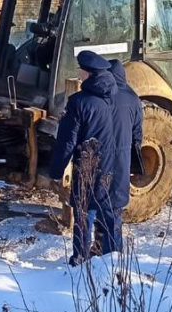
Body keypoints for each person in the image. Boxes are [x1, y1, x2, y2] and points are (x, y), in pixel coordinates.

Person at [49, 50, 130, 265]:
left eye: (80, 70)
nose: (78, 73)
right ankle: (113, 260)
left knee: (85, 211)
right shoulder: (120, 99)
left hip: (89, 167)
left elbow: (67, 141)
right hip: (115, 166)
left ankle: (81, 258)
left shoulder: (78, 102)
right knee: (110, 212)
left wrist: (56, 171)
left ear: (87, 74)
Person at [107, 59, 143, 245]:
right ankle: (113, 251)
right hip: (122, 159)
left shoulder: (101, 96)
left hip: (101, 159)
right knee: (115, 208)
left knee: (95, 206)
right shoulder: (133, 98)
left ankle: (92, 250)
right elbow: (138, 135)